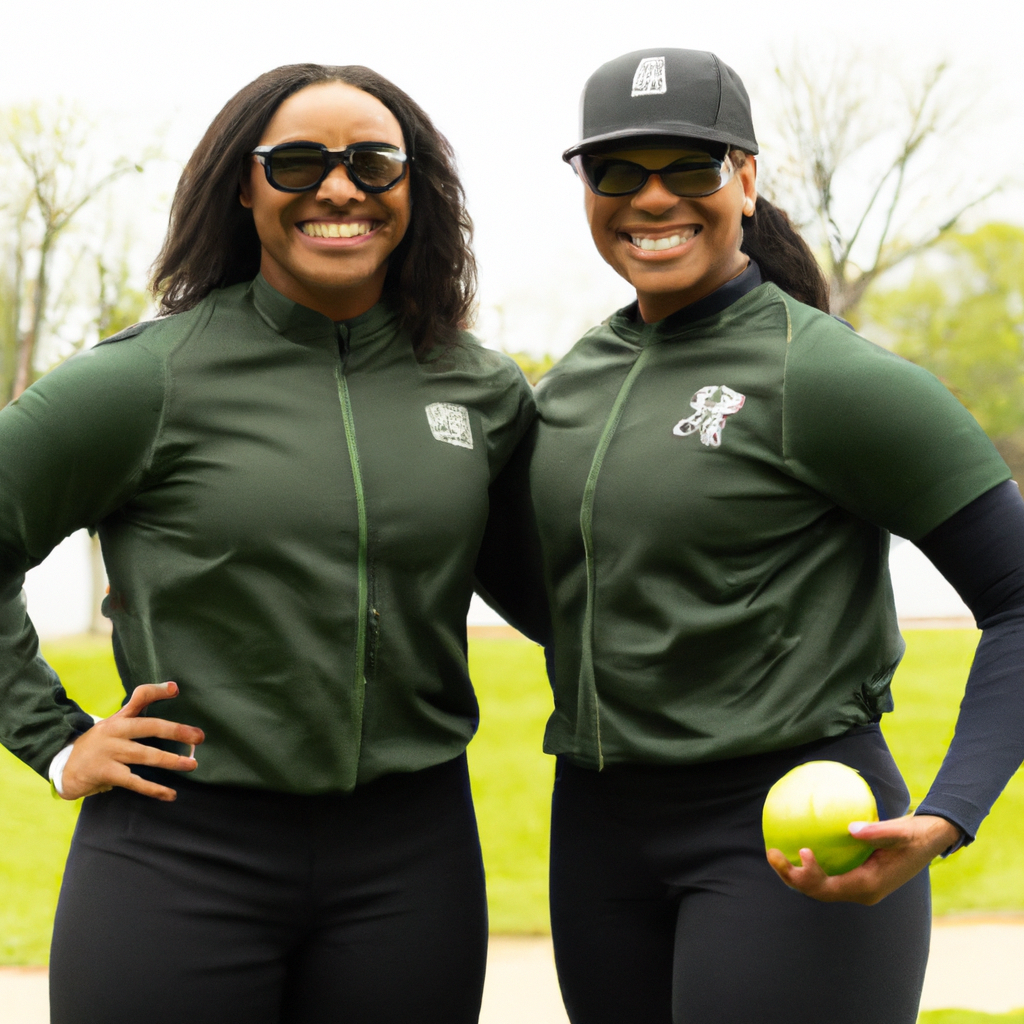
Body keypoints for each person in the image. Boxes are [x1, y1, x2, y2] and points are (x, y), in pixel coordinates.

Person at [0, 64, 535, 1024]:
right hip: (177, 854)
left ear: (414, 190)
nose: (339, 188)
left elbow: (571, 584)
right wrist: (55, 740)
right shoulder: (142, 381)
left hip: (413, 861)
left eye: (374, 164)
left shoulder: (480, 390)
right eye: (297, 164)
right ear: (242, 187)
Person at [525, 48, 1024, 1024]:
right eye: (617, 172)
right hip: (594, 831)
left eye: (691, 168)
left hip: (795, 830)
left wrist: (945, 812)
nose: (652, 197)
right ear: (584, 188)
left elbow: (1017, 599)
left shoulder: (829, 376)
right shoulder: (572, 380)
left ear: (745, 179)